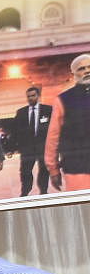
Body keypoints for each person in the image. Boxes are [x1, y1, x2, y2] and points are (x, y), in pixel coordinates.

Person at [44, 53, 90, 192]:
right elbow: (53, 137)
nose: (87, 71)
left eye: (89, 67)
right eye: (81, 69)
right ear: (74, 74)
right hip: (78, 169)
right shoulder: (63, 100)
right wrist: (53, 169)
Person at [12, 86, 51, 197]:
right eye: (28, 96)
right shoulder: (21, 112)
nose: (30, 98)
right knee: (25, 172)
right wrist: (10, 148)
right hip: (27, 149)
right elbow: (15, 131)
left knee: (44, 170)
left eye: (33, 95)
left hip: (43, 148)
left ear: (38, 96)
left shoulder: (48, 110)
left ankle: (43, 191)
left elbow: (54, 129)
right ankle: (25, 191)